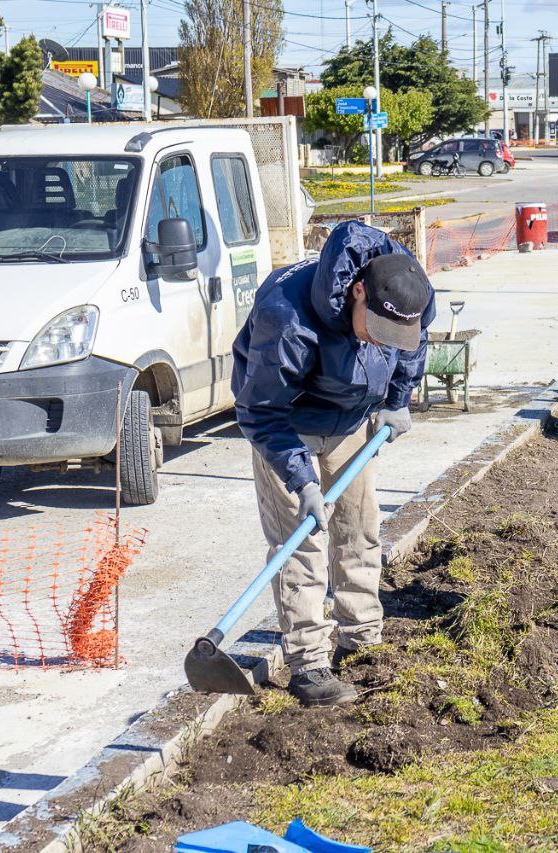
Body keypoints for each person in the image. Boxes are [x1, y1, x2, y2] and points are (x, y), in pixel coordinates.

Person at [232, 221, 436, 706]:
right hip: (290, 424)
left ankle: (361, 639)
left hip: (352, 423)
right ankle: (308, 664)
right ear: (357, 292)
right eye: (377, 330)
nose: (383, 342)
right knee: (299, 542)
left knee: (359, 530)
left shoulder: (409, 288)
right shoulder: (288, 318)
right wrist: (300, 480)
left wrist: (399, 397)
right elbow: (259, 410)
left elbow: (414, 342)